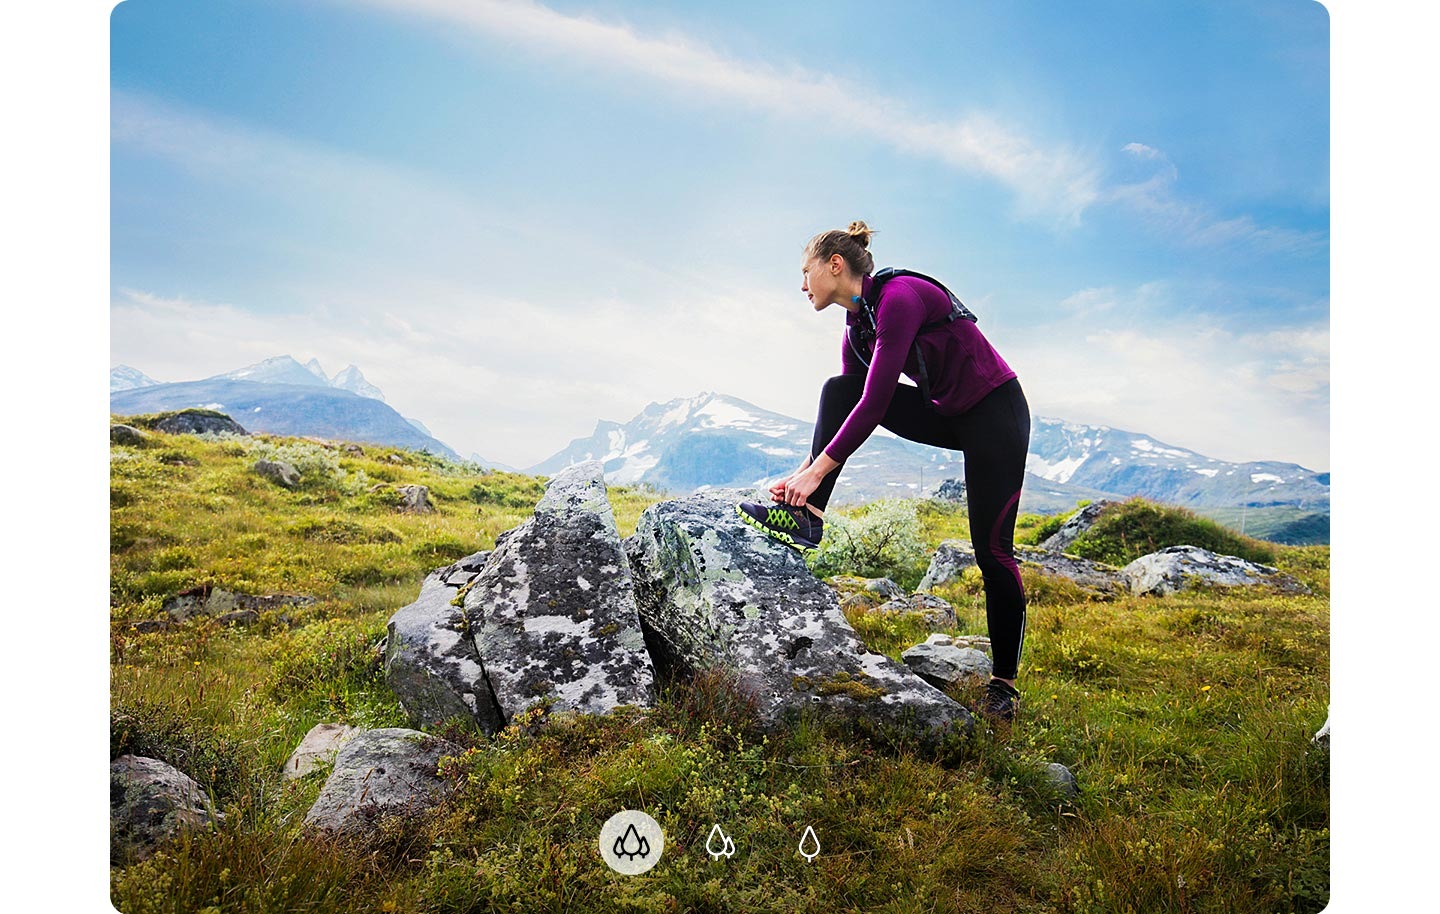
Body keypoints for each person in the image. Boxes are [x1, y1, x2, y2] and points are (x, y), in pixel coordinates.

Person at [737, 221, 1031, 722]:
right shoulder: (857, 329)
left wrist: (814, 470)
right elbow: (850, 407)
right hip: (950, 414)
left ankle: (1003, 686)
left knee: (992, 551)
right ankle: (806, 515)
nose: (801, 285)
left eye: (805, 272)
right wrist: (803, 474)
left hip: (995, 415)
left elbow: (876, 403)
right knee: (837, 389)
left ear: (835, 264)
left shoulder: (899, 297)